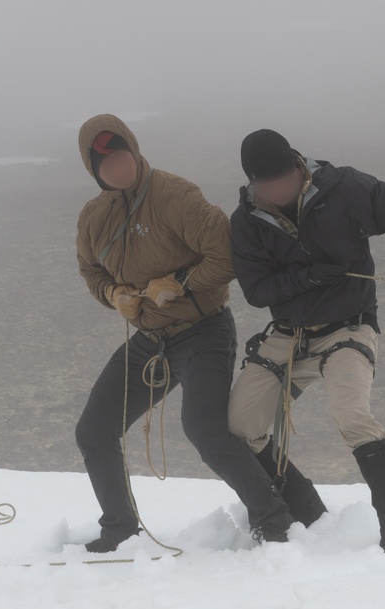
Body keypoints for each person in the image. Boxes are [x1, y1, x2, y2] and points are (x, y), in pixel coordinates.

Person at [74, 114, 297, 552]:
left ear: (135, 152)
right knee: (94, 431)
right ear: (94, 171)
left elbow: (229, 256)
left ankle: (273, 521)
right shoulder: (94, 217)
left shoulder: (175, 196)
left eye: (123, 158)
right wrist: (112, 293)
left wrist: (179, 283)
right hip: (148, 341)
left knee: (204, 430)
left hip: (203, 332)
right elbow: (90, 270)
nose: (118, 169)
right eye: (107, 165)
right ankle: (119, 529)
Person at [227, 129, 385, 552]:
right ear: (253, 183)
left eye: (285, 177)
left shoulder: (344, 188)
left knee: (351, 415)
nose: (279, 189)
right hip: (288, 336)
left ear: (297, 166)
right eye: (269, 184)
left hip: (349, 327)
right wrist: (310, 275)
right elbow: (256, 291)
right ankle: (303, 508)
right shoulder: (247, 220)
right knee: (239, 428)